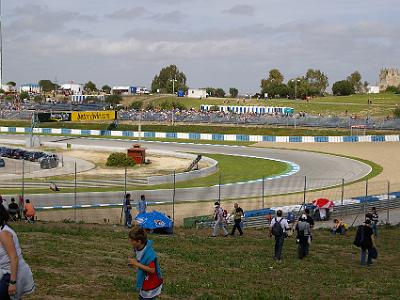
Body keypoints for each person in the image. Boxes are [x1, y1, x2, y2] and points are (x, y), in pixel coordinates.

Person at [0, 205, 35, 299]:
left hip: (10, 274)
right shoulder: (3, 227)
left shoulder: (3, 233)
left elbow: (14, 257)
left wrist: (12, 282)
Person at [128, 227, 163, 299]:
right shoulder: (137, 248)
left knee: (147, 297)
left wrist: (136, 264)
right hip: (145, 279)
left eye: (132, 240)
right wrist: (135, 263)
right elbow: (140, 259)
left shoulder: (149, 254)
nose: (130, 242)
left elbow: (152, 270)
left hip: (151, 282)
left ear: (139, 241)